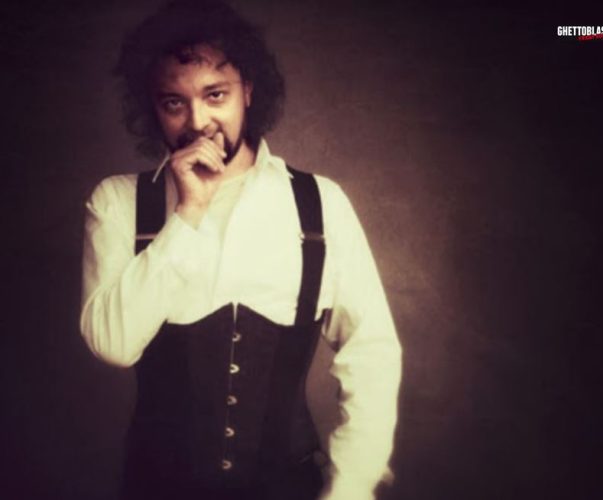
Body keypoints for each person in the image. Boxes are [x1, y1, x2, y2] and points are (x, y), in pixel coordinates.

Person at [79, 1, 402, 499]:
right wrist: (187, 213)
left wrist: (351, 488)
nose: (198, 121)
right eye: (174, 102)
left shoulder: (320, 203)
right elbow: (113, 345)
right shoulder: (119, 201)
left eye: (215, 95)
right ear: (153, 107)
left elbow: (371, 352)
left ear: (248, 89)